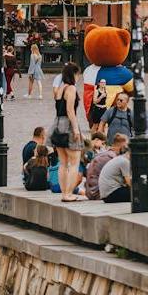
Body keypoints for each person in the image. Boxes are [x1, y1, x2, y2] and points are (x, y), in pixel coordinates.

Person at [52, 59, 86, 198]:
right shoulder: (71, 89)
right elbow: (70, 110)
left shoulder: (60, 88)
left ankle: (63, 194)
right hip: (68, 125)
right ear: (73, 74)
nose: (78, 78)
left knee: (63, 162)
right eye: (78, 75)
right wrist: (76, 129)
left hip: (57, 124)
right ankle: (68, 193)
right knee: (74, 161)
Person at [97, 139, 133, 204]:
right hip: (111, 194)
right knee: (140, 193)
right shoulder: (125, 162)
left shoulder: (120, 158)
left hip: (106, 195)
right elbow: (129, 183)